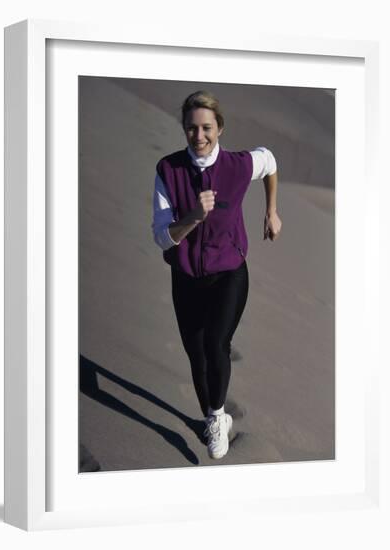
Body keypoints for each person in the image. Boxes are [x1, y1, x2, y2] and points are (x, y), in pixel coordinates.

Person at [152, 90, 282, 460]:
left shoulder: (238, 166)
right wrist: (192, 217)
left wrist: (271, 211)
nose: (199, 135)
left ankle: (215, 417)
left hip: (229, 272)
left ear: (219, 128)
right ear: (184, 130)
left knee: (215, 344)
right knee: (195, 353)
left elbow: (270, 162)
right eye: (191, 128)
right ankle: (212, 413)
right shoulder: (168, 170)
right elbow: (161, 236)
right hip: (186, 275)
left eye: (207, 127)